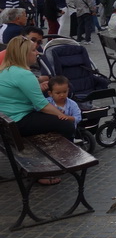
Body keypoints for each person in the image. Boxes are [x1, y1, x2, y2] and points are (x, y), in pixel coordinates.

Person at [0, 37, 75, 167]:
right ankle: (62, 162)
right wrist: (61, 114)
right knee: (66, 125)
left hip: (7, 121)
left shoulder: (5, 70)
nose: (37, 53)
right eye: (34, 50)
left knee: (53, 120)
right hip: (18, 122)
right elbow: (41, 105)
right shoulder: (24, 74)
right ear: (24, 54)